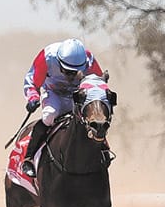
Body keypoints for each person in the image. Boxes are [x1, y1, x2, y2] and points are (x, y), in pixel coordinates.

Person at [19, 37, 106, 178]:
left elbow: (99, 83)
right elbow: (31, 81)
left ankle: (103, 150)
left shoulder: (89, 60)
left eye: (75, 72)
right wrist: (33, 98)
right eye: (67, 71)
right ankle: (29, 158)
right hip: (54, 93)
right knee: (49, 115)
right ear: (59, 61)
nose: (71, 77)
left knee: (94, 118)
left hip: (79, 94)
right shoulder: (47, 57)